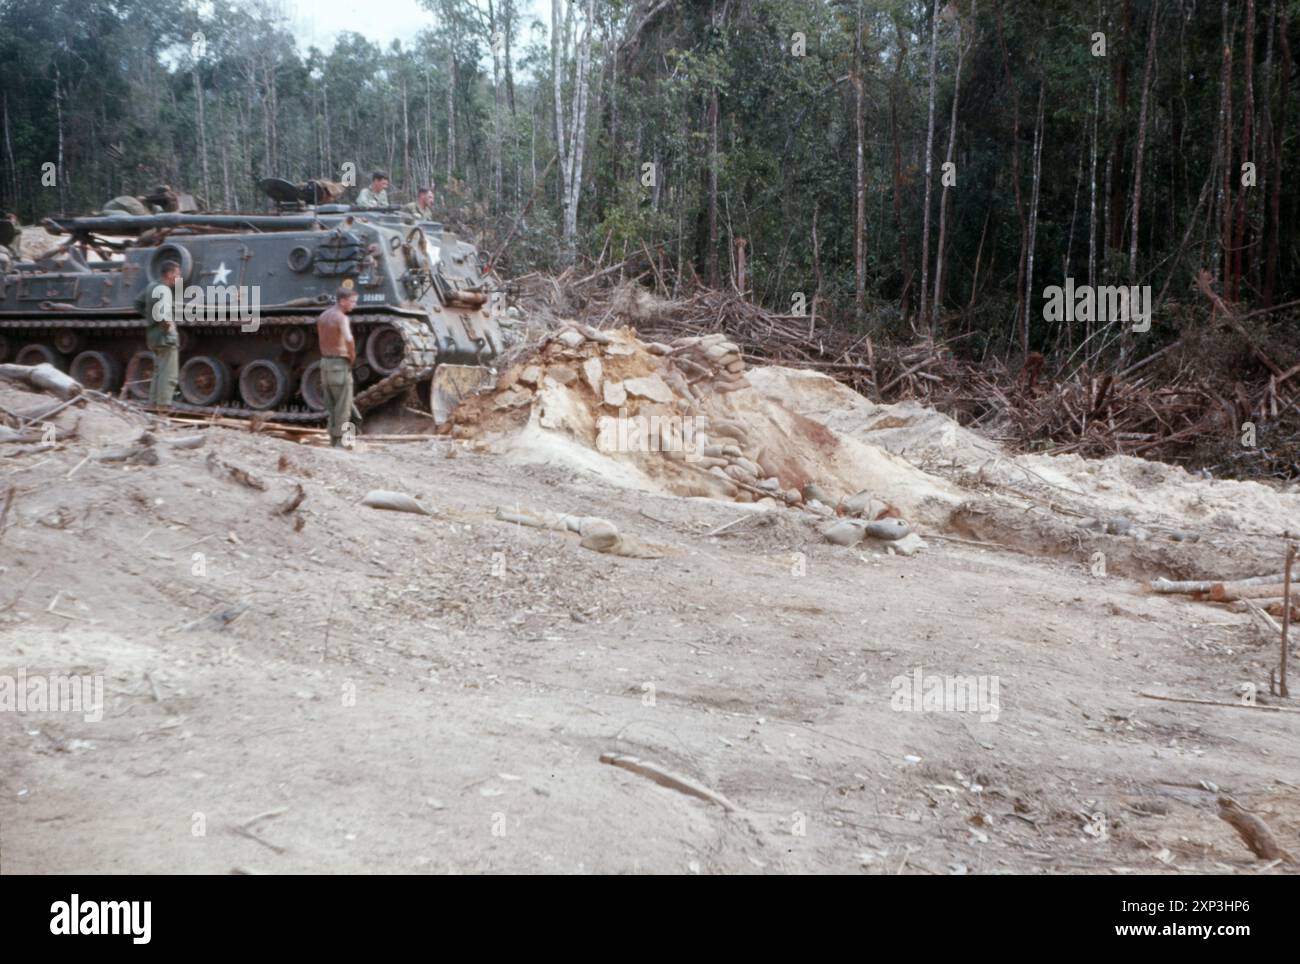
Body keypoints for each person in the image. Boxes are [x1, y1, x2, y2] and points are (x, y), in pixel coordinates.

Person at [134, 261, 181, 408]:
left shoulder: (152, 286)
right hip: (164, 337)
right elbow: (165, 315)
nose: (178, 278)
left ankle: (153, 403)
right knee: (169, 372)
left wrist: (150, 317)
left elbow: (137, 303)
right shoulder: (164, 291)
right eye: (177, 274)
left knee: (158, 371)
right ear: (169, 274)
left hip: (153, 335)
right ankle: (164, 406)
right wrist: (170, 331)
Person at [316, 287, 359, 447]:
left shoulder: (323, 316)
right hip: (340, 365)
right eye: (353, 301)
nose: (355, 305)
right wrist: (352, 356)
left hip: (325, 365)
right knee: (344, 406)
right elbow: (348, 339)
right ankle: (343, 443)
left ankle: (333, 441)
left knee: (332, 406)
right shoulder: (341, 318)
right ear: (342, 301)